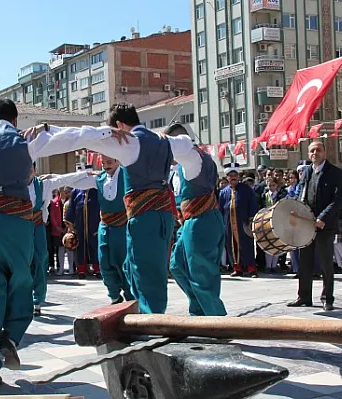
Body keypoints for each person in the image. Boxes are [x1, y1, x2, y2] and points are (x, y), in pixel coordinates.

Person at [0, 99, 130, 385]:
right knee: (21, 279)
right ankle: (10, 335)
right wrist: (108, 132)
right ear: (14, 120)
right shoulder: (25, 141)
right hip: (15, 222)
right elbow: (73, 137)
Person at [25, 103, 196, 314]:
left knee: (146, 274)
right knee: (138, 269)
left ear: (119, 125)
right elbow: (187, 142)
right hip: (162, 216)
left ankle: (151, 323)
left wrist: (47, 130)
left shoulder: (127, 141)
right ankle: (142, 313)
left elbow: (81, 136)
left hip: (145, 218)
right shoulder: (165, 141)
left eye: (113, 130)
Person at [163, 123, 227, 316]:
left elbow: (182, 149)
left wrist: (160, 142)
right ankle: (199, 310)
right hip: (189, 223)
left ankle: (217, 322)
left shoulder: (194, 158)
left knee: (201, 274)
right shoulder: (179, 168)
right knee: (177, 265)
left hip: (202, 220)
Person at [288, 141, 342, 311]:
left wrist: (323, 218)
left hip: (324, 226)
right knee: (304, 262)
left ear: (325, 152)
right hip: (306, 225)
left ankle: (328, 298)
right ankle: (304, 296)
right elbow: (301, 193)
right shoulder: (306, 172)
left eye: (318, 150)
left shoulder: (335, 173)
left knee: (326, 263)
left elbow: (337, 201)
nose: (315, 153)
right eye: (312, 150)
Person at [28, 164, 90, 316]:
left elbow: (64, 179)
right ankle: (21, 298)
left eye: (30, 168)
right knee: (21, 263)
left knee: (41, 259)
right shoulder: (14, 185)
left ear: (35, 170)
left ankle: (37, 300)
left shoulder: (43, 184)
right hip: (19, 228)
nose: (27, 171)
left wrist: (86, 173)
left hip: (37, 226)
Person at [72, 155, 134, 304]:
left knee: (124, 262)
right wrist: (83, 173)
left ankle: (130, 295)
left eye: (110, 162)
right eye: (104, 163)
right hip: (105, 226)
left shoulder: (128, 175)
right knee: (104, 261)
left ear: (117, 160)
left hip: (123, 226)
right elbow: (73, 181)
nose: (106, 166)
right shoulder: (98, 179)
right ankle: (114, 295)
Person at [219, 163, 259, 278]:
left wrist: (251, 220)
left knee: (246, 245)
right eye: (230, 175)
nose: (233, 177)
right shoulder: (223, 192)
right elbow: (220, 209)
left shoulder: (246, 190)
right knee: (232, 246)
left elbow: (252, 204)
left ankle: (251, 268)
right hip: (229, 223)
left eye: (235, 174)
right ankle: (237, 268)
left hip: (244, 222)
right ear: (227, 177)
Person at [63, 187, 101, 278]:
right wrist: (71, 228)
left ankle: (98, 269)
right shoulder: (76, 191)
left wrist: (100, 226)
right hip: (79, 227)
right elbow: (71, 209)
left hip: (94, 226)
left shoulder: (97, 190)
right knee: (81, 248)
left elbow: (102, 208)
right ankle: (81, 270)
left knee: (95, 246)